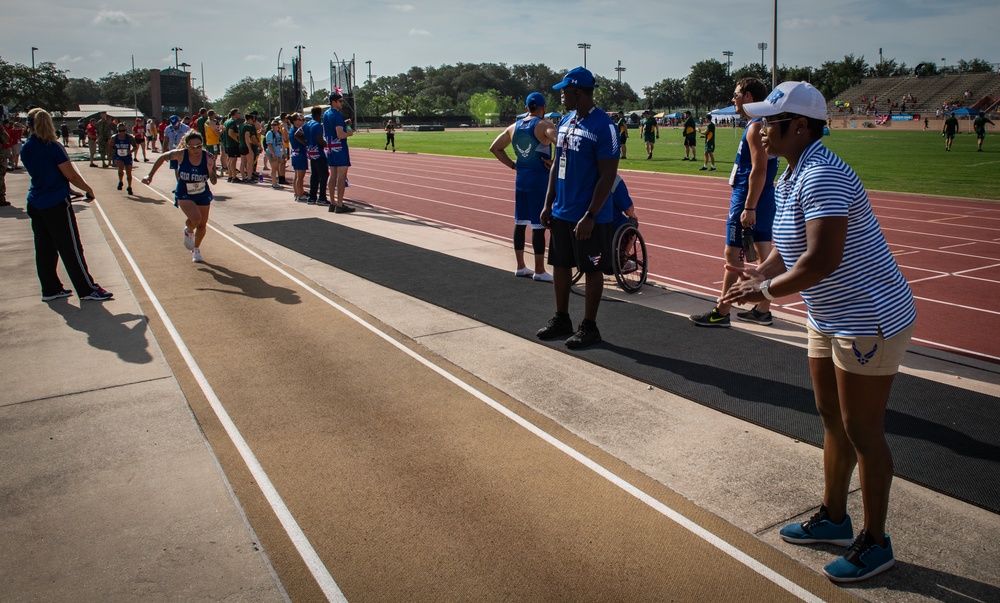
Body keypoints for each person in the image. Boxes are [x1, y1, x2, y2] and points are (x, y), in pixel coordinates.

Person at [723, 81, 916, 583]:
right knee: (831, 417)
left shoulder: (823, 175)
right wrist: (761, 273)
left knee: (862, 430)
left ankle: (876, 541)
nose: (761, 129)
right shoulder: (792, 176)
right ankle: (834, 517)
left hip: (868, 315)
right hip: (828, 314)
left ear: (800, 126)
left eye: (770, 121)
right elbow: (788, 250)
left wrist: (764, 295)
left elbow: (822, 259)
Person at [536, 67, 620, 349]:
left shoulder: (603, 126)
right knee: (560, 265)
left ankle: (590, 326)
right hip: (562, 210)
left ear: (578, 92)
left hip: (590, 216)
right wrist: (548, 202)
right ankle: (562, 318)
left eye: (564, 92)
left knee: (592, 268)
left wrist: (591, 215)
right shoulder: (565, 122)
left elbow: (608, 175)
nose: (561, 96)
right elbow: (556, 165)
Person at [691, 77, 779, 327]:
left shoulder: (755, 126)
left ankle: (722, 310)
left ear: (749, 97)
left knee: (732, 255)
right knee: (763, 253)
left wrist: (749, 206)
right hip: (763, 196)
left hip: (748, 196)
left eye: (737, 94)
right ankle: (763, 309)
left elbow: (759, 169)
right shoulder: (762, 124)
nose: (734, 99)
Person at [21, 108, 113, 301]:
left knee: (44, 247)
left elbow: (42, 174)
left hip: (36, 201)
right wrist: (88, 189)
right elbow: (69, 174)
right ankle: (87, 289)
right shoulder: (53, 147)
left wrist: (69, 189)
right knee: (71, 247)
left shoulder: (27, 147)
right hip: (55, 202)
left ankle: (50, 288)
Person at [489, 92, 557, 281]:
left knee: (520, 222)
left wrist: (513, 165)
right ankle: (540, 270)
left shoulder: (513, 127)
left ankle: (520, 266)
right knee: (538, 225)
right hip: (539, 181)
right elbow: (562, 143)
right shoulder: (545, 125)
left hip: (521, 180)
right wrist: (554, 162)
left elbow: (494, 148)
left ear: (527, 108)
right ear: (543, 108)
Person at [141, 130, 217, 263]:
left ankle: (196, 249)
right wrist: (150, 175)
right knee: (196, 219)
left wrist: (210, 170)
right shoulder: (181, 154)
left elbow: (214, 181)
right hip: (184, 192)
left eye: (199, 146)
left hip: (202, 193)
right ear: (186, 146)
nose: (196, 149)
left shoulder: (208, 157)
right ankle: (188, 230)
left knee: (202, 225)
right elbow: (162, 157)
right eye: (192, 147)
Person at [323, 90, 356, 213]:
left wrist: (344, 123)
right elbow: (340, 134)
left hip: (330, 147)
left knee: (332, 175)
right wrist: (349, 133)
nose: (342, 103)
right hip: (339, 148)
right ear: (334, 102)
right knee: (341, 177)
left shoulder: (326, 114)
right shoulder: (337, 115)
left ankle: (332, 202)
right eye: (340, 101)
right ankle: (340, 204)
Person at [306, 106, 329, 206]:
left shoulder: (308, 124)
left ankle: (312, 197)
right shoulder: (318, 125)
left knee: (314, 175)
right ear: (320, 114)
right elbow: (319, 139)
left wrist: (306, 143)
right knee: (323, 175)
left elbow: (297, 134)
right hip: (319, 153)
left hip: (311, 152)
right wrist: (327, 145)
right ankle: (322, 197)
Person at [108, 122, 137, 195]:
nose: (122, 133)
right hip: (118, 156)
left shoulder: (129, 137)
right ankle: (120, 181)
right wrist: (111, 157)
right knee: (120, 168)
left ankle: (129, 187)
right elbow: (110, 147)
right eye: (120, 131)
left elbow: (135, 146)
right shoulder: (114, 138)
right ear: (117, 131)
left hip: (127, 156)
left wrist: (131, 151)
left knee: (129, 173)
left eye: (123, 131)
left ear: (125, 130)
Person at [288, 112, 309, 202]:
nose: (302, 121)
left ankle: (297, 193)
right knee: (300, 176)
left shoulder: (292, 130)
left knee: (297, 176)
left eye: (303, 120)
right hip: (300, 153)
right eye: (300, 120)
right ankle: (300, 195)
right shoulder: (296, 131)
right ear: (294, 121)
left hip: (295, 154)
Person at [265, 120, 285, 189]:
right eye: (272, 125)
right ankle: (274, 184)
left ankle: (275, 183)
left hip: (278, 153)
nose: (273, 126)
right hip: (272, 153)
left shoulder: (279, 133)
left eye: (275, 124)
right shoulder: (270, 133)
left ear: (278, 126)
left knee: (277, 168)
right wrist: (273, 154)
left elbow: (282, 144)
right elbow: (269, 144)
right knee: (274, 169)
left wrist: (284, 153)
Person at [223, 108, 242, 182]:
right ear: (235, 114)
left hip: (228, 143)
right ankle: (234, 176)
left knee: (230, 159)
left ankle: (230, 175)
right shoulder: (232, 122)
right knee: (233, 160)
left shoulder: (226, 122)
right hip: (232, 144)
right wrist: (238, 136)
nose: (239, 114)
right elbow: (230, 133)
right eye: (238, 113)